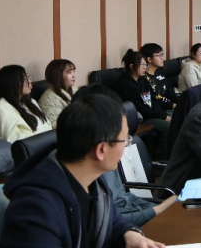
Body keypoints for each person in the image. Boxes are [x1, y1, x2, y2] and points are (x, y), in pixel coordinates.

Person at [0, 92, 169, 248]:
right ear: (101, 150)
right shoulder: (35, 206)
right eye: (124, 140)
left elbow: (108, 220)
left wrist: (128, 234)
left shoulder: (91, 178)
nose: (126, 145)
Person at [74, 84, 177, 226]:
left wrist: (159, 209)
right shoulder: (85, 175)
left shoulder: (106, 158)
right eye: (124, 139)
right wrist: (157, 211)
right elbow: (111, 222)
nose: (127, 145)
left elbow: (124, 197)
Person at [115, 49, 171, 160]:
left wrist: (163, 115)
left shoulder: (142, 80)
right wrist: (163, 117)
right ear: (132, 66)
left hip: (151, 113)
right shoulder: (125, 84)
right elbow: (140, 107)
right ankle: (160, 160)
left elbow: (153, 99)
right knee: (167, 127)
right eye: (142, 65)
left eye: (146, 65)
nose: (145, 67)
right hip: (141, 118)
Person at [0, 65, 52, 142]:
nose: (30, 81)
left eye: (28, 77)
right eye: (25, 79)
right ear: (12, 83)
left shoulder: (30, 101)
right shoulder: (0, 107)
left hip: (47, 144)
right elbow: (12, 141)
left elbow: (48, 125)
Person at [39, 58, 78, 126]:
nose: (74, 75)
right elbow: (56, 126)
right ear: (58, 75)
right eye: (69, 72)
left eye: (73, 71)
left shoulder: (74, 90)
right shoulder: (49, 99)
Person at [141, 43, 178, 108]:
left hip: (171, 105)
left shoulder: (160, 71)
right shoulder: (144, 78)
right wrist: (173, 105)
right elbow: (151, 102)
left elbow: (169, 91)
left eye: (162, 55)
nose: (162, 58)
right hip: (161, 109)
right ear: (149, 59)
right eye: (159, 56)